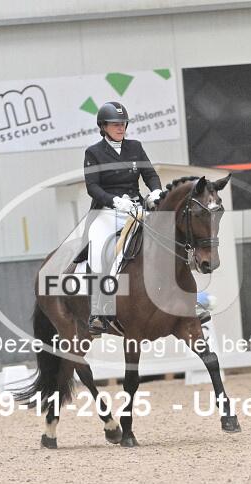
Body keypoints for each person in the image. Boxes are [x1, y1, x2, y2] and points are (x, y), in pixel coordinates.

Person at [83, 101, 163, 334]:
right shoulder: (94, 153)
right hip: (108, 211)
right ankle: (98, 310)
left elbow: (150, 174)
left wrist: (156, 191)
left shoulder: (135, 147)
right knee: (98, 248)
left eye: (123, 123)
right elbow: (92, 187)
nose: (120, 128)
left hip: (136, 208)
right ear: (103, 126)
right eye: (115, 124)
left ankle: (186, 297)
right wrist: (114, 201)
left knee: (169, 238)